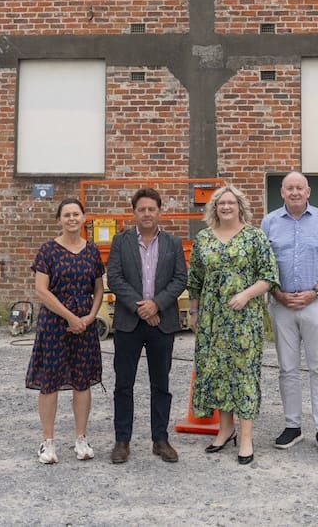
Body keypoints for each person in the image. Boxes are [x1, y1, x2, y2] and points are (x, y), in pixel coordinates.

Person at [186, 185, 279, 466]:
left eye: (231, 203)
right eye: (221, 203)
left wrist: (246, 294)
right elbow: (195, 279)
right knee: (217, 371)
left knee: (244, 373)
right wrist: (193, 311)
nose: (226, 207)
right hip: (212, 317)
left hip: (243, 318)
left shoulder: (254, 237)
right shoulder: (203, 238)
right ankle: (225, 430)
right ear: (214, 208)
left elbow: (269, 276)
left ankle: (247, 437)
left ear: (240, 206)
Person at [261, 172, 318, 456]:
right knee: (287, 368)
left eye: (299, 187)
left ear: (308, 191)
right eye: (289, 188)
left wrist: (316, 292)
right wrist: (276, 293)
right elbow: (262, 265)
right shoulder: (269, 223)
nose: (295, 192)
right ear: (282, 193)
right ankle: (292, 426)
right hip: (281, 305)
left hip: (315, 303)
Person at [105, 188, 189, 464]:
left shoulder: (173, 243)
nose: (147, 214)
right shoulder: (121, 241)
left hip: (162, 323)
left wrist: (157, 305)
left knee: (161, 383)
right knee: (123, 384)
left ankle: (160, 439)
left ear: (159, 211)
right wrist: (142, 307)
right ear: (134, 212)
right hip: (129, 322)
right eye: (141, 209)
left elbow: (179, 279)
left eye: (151, 209)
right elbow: (115, 278)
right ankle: (122, 440)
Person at [26, 198, 105, 464]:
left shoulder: (92, 251)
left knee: (82, 382)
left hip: (85, 325)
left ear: (84, 218)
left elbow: (98, 288)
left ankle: (81, 439)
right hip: (54, 325)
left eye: (76, 214)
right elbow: (41, 290)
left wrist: (91, 316)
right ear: (59, 219)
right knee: (50, 382)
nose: (72, 218)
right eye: (66, 214)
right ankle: (47, 442)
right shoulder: (47, 250)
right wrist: (71, 317)